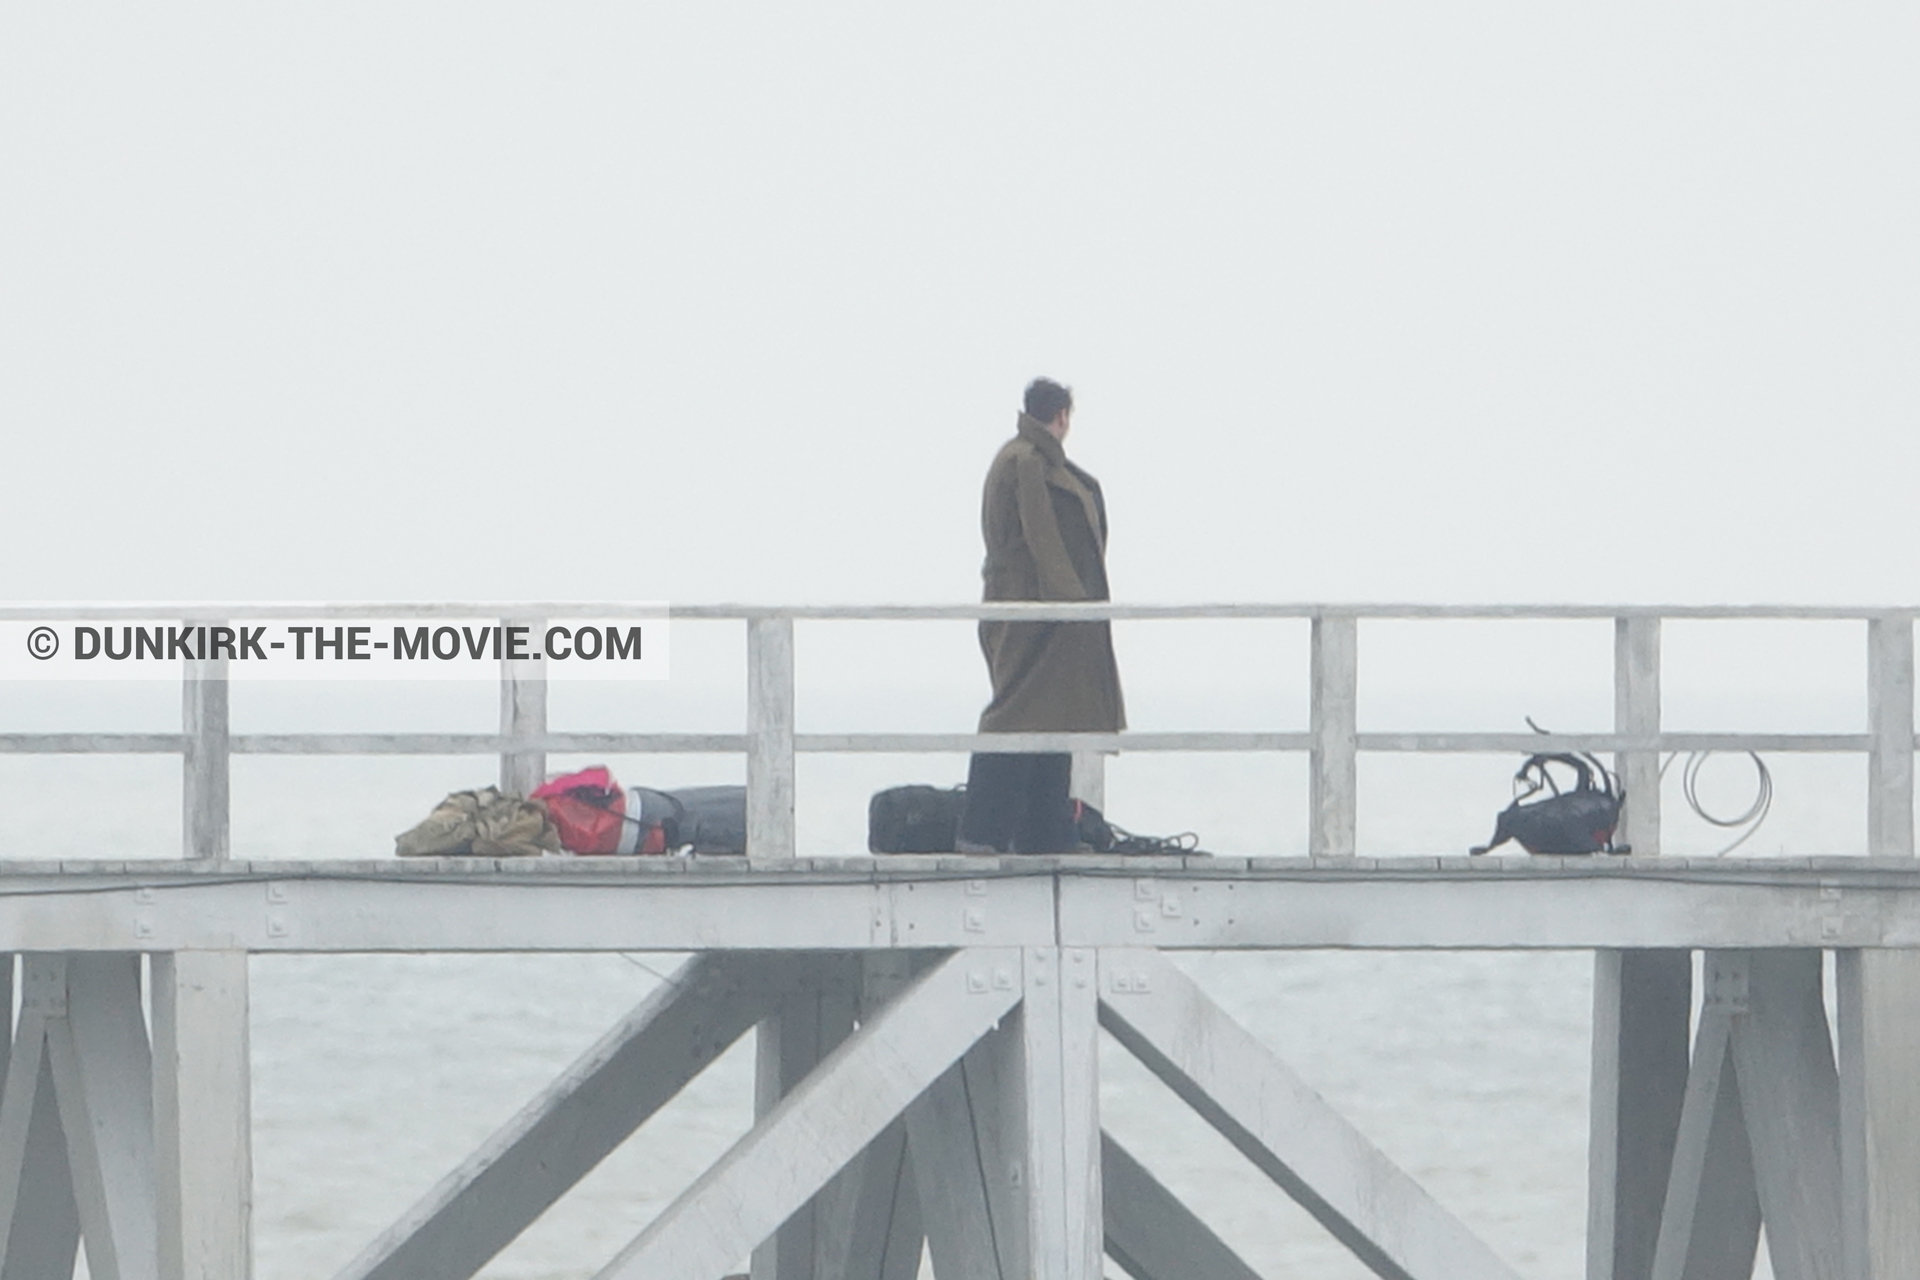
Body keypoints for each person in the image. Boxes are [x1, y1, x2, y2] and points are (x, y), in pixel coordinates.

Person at [956, 378, 1125, 854]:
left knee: (1052, 720)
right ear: (1063, 416)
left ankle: (1046, 832)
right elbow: (1043, 538)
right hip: (1034, 616)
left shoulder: (1023, 457)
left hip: (1036, 613)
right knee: (1015, 717)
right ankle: (984, 833)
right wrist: (1071, 606)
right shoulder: (1027, 463)